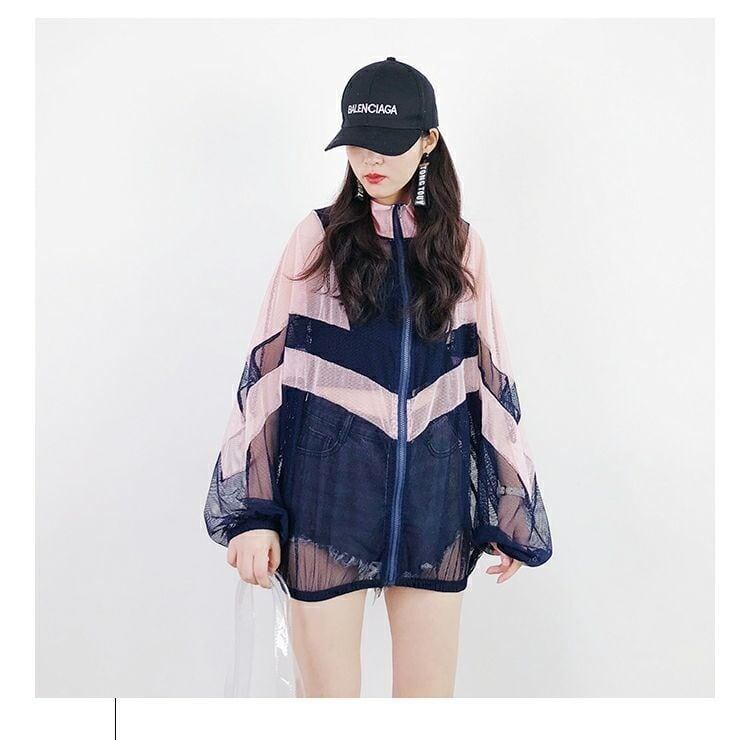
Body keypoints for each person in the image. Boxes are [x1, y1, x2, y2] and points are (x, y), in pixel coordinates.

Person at [204, 56, 553, 697]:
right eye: (358, 142)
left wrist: (508, 504)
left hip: (432, 504)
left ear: (429, 141)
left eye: (390, 143)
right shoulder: (316, 239)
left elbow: (487, 378)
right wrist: (253, 513)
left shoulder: (461, 247)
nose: (371, 159)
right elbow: (266, 378)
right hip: (327, 501)